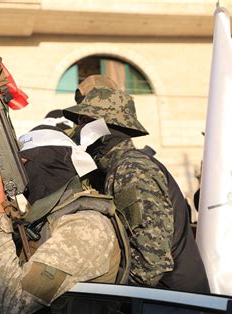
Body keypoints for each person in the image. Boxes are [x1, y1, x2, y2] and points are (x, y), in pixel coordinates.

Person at [62, 75, 210, 293]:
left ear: (103, 127)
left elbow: (148, 267)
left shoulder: (131, 170)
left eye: (84, 121)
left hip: (170, 301)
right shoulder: (119, 168)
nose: (77, 129)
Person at [0, 125, 121, 314]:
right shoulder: (42, 222)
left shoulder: (85, 227)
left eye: (21, 165)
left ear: (47, 163)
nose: (11, 177)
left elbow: (15, 304)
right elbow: (13, 265)